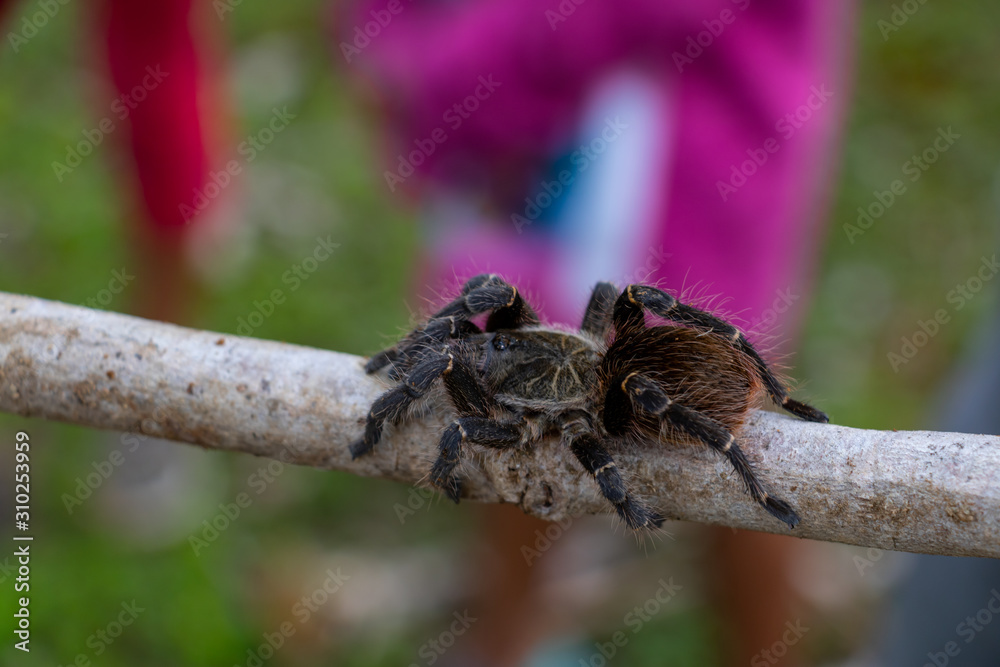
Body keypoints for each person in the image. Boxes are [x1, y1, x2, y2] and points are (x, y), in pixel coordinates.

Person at [337, 0, 855, 664]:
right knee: (500, 315)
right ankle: (509, 639)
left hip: (682, 167)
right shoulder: (535, 319)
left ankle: (756, 539)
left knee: (634, 403)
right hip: (573, 160)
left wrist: (445, 79)